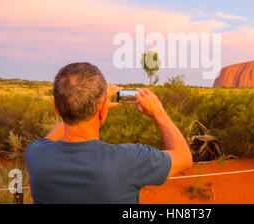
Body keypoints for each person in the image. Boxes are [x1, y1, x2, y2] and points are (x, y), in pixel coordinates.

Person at [25, 62, 192, 203]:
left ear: (56, 108)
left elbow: (48, 140)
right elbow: (184, 157)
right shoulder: (130, 159)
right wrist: (158, 112)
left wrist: (74, 107)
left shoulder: (35, 155)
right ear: (102, 110)